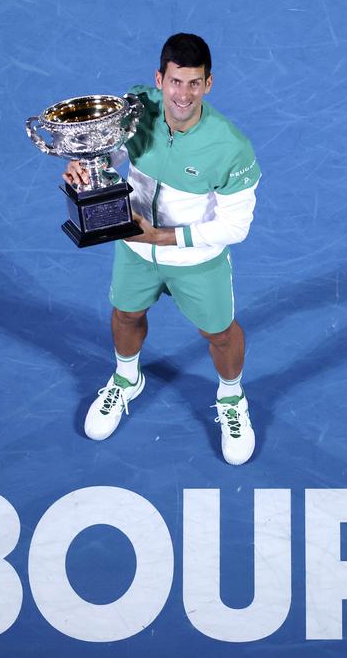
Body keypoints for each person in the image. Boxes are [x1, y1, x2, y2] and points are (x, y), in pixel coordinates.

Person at [63, 33, 261, 465]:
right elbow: (112, 153)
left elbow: (236, 225)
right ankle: (126, 377)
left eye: (194, 83)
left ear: (209, 84)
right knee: (126, 314)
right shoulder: (136, 107)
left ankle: (231, 399)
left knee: (219, 334)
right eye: (175, 82)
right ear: (159, 79)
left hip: (196, 259)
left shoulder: (231, 148)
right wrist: (86, 162)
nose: (183, 95)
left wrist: (164, 237)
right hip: (135, 249)